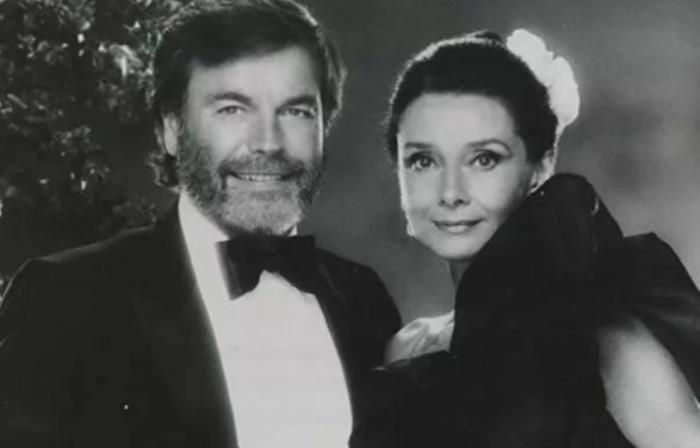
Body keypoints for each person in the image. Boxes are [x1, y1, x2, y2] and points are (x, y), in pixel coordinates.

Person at [0, 1, 400, 447]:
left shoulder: (364, 298)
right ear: (171, 130)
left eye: (296, 111)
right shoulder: (64, 298)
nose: (268, 143)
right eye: (232, 109)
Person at [355, 30, 700, 448]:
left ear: (541, 167)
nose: (451, 192)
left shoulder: (602, 338)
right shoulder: (406, 348)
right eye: (423, 161)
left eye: (484, 159)